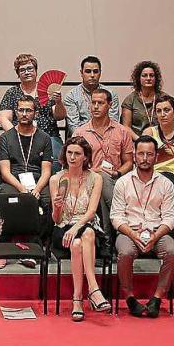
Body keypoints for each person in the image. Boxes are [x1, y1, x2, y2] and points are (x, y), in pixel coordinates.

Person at [111, 135, 174, 318]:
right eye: (141, 154)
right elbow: (116, 217)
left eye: (149, 154)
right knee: (125, 252)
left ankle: (157, 298)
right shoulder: (123, 182)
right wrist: (133, 235)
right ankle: (130, 297)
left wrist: (155, 236)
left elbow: (170, 218)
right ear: (134, 156)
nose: (145, 158)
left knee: (173, 252)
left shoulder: (166, 184)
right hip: (129, 231)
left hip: (157, 232)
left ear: (156, 156)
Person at [49, 136, 110, 320]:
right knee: (82, 237)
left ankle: (78, 299)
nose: (72, 157)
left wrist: (76, 227)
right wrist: (57, 207)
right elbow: (56, 219)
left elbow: (91, 212)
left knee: (82, 238)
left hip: (85, 223)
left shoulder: (95, 178)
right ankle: (94, 290)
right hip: (62, 228)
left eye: (77, 153)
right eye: (69, 153)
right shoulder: (56, 179)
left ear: (85, 157)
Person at [73, 88, 134, 251]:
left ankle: (106, 241)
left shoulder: (122, 131)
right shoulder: (80, 132)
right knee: (99, 178)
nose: (95, 106)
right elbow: (74, 164)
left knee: (101, 188)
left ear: (109, 105)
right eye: (93, 103)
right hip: (87, 181)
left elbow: (129, 162)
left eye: (100, 103)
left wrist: (117, 173)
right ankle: (121, 223)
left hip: (117, 180)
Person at [0, 95, 53, 269]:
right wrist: (21, 188)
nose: (24, 113)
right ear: (16, 112)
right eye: (21, 110)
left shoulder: (44, 138)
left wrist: (37, 189)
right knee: (8, 198)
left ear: (35, 113)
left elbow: (46, 171)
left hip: (37, 180)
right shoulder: (6, 137)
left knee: (47, 200)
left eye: (28, 110)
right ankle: (3, 247)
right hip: (13, 180)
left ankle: (34, 248)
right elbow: (5, 172)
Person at [0, 53, 65, 172]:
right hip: (20, 137)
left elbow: (60, 116)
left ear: (36, 71)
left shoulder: (47, 90)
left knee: (56, 160)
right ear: (18, 74)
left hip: (49, 135)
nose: (27, 72)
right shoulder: (12, 93)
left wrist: (59, 102)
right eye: (22, 70)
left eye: (30, 68)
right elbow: (4, 118)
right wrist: (17, 135)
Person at [142, 94, 174, 229]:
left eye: (166, 110)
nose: (162, 114)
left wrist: (173, 179)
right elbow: (143, 161)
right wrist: (167, 179)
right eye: (159, 111)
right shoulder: (149, 132)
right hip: (155, 178)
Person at [64, 56, 120, 136]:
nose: (92, 75)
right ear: (81, 73)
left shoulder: (111, 94)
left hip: (107, 137)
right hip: (81, 139)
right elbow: (74, 128)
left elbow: (113, 123)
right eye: (88, 71)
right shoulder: (71, 96)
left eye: (95, 71)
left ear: (100, 73)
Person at [122, 60, 166, 138]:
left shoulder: (164, 98)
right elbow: (126, 127)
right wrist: (140, 141)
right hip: (136, 140)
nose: (148, 78)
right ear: (138, 78)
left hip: (161, 140)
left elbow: (170, 124)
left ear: (156, 78)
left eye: (151, 75)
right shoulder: (130, 100)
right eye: (144, 75)